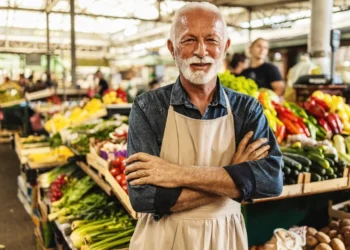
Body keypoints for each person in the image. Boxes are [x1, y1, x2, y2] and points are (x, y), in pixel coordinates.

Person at [125, 3, 282, 250]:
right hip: (162, 241)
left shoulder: (246, 109)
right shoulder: (148, 108)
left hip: (225, 239)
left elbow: (271, 180)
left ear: (226, 47)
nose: (201, 51)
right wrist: (234, 176)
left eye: (212, 40)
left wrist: (176, 173)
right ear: (172, 48)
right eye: (188, 40)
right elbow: (144, 197)